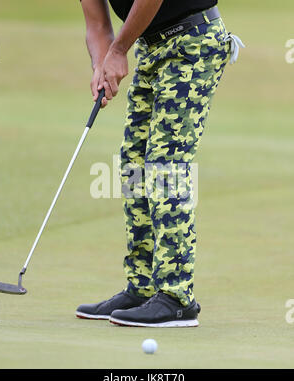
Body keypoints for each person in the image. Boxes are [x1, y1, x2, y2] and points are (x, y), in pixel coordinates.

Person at [76, 0, 244, 327]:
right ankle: (143, 287)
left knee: (164, 168)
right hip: (152, 49)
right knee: (133, 165)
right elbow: (97, 26)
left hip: (193, 42)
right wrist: (101, 66)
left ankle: (176, 297)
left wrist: (119, 50)